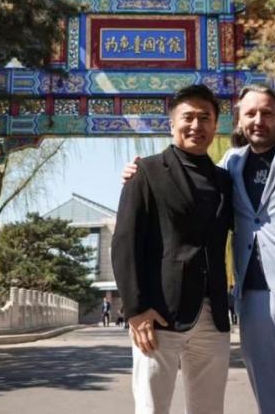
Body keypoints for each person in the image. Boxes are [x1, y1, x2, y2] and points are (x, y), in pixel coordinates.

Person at [124, 83, 275, 414]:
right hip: (253, 299)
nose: (258, 120)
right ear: (238, 121)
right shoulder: (232, 163)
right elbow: (185, 179)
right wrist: (139, 173)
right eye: (250, 113)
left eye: (267, 113)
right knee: (271, 401)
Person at [111, 84, 232, 414]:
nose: (196, 125)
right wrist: (136, 310)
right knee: (152, 408)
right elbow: (124, 243)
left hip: (213, 315)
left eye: (204, 118)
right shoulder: (146, 172)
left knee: (209, 409)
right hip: (158, 315)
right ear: (171, 124)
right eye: (187, 117)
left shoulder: (225, 181)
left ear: (215, 125)